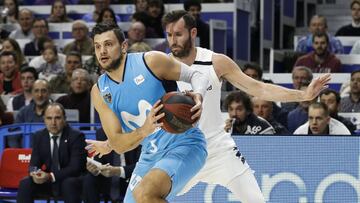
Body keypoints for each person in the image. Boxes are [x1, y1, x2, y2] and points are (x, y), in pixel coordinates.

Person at [162, 10, 330, 202]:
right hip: (181, 152)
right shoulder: (162, 66)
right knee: (148, 196)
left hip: (218, 150)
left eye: (178, 34)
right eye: (169, 35)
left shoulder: (215, 62)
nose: (173, 40)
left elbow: (260, 89)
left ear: (192, 33)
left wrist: (303, 95)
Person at [85, 22, 209, 202]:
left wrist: (198, 94)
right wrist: (143, 130)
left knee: (144, 194)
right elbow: (119, 144)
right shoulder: (99, 92)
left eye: (108, 44)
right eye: (97, 46)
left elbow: (197, 76)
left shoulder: (150, 61)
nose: (102, 51)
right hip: (150, 154)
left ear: (124, 46)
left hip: (185, 143)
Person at [16, 103, 86, 203]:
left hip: (71, 180)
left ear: (64, 119)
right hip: (49, 182)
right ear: (44, 119)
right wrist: (35, 173)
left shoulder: (76, 136)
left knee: (68, 183)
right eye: (49, 118)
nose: (53, 122)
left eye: (57, 118)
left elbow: (75, 168)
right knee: (25, 183)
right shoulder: (39, 136)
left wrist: (50, 176)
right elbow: (33, 165)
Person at [83, 128, 141, 202]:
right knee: (89, 179)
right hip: (108, 176)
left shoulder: (136, 130)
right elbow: (100, 160)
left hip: (130, 176)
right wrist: (95, 169)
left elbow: (141, 165)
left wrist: (118, 171)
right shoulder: (102, 132)